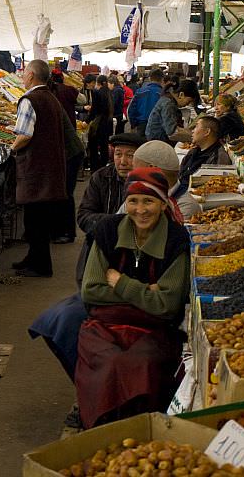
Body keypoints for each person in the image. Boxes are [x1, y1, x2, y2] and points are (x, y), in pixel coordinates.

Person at [28, 132, 145, 397]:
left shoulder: (147, 185)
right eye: (118, 154)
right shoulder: (101, 179)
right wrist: (113, 227)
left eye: (130, 155)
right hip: (97, 261)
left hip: (132, 274)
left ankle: (105, 389)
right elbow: (84, 216)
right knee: (82, 326)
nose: (123, 161)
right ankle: (91, 388)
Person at [76, 167, 191, 428]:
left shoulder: (176, 240)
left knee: (140, 363)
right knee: (108, 362)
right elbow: (91, 289)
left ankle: (136, 429)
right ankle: (102, 428)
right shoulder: (108, 229)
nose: (141, 209)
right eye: (133, 201)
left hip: (154, 330)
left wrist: (120, 282)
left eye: (149, 201)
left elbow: (167, 305)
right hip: (103, 326)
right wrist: (147, 291)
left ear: (163, 204)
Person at [10, 59, 67, 278]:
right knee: (38, 219)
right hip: (50, 168)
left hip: (36, 169)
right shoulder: (51, 98)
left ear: (32, 75)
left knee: (35, 221)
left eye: (24, 73)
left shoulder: (30, 99)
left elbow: (24, 135)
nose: (22, 76)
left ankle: (41, 265)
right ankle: (32, 258)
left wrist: (11, 149)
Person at [128, 140, 200, 221]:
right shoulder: (136, 195)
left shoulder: (185, 208)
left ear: (152, 169)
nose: (131, 173)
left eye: (135, 169)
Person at [174, 116, 232, 197]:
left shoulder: (218, 157)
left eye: (196, 126)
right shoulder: (193, 151)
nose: (192, 131)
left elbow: (210, 190)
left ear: (207, 132)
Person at [51, 108, 86, 244]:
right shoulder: (50, 100)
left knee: (65, 192)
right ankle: (60, 230)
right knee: (63, 192)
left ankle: (67, 232)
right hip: (69, 152)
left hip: (70, 154)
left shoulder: (45, 101)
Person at [145, 80, 201, 144]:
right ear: (181, 95)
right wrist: (196, 136)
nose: (187, 105)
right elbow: (172, 132)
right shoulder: (168, 104)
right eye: (188, 101)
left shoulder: (169, 100)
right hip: (158, 141)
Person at [86, 75, 114, 171]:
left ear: (99, 83)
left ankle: (95, 168)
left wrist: (86, 121)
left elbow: (94, 111)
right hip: (107, 124)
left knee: (93, 147)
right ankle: (103, 167)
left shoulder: (97, 93)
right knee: (104, 146)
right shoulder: (109, 93)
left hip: (98, 124)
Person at [126, 69, 164, 136]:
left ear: (149, 78)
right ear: (162, 79)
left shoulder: (140, 91)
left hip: (141, 125)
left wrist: (133, 124)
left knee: (141, 145)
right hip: (158, 127)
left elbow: (130, 110)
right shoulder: (163, 94)